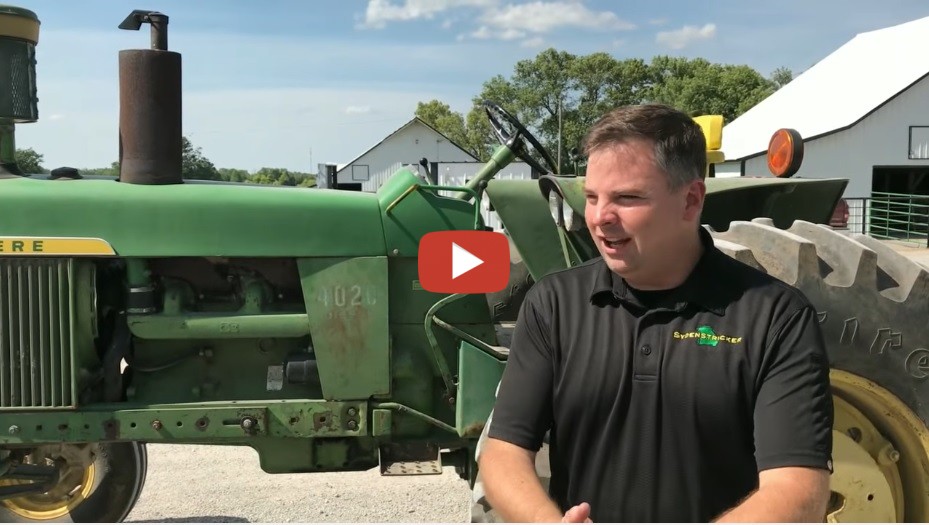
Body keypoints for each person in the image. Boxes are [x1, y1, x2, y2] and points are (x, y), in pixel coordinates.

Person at [476, 103, 834, 523]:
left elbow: (799, 488)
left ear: (691, 199)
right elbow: (503, 451)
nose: (599, 218)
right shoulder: (554, 305)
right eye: (591, 198)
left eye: (627, 198)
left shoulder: (775, 317)